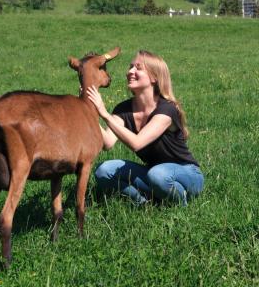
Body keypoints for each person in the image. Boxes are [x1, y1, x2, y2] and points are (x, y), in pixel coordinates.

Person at [86, 50, 204, 206]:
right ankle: (146, 203)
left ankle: (179, 203)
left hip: (186, 174)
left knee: (158, 175)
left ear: (154, 77)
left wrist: (105, 114)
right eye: (130, 67)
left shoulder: (167, 109)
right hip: (153, 173)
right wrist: (90, 111)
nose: (130, 71)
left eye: (138, 68)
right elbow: (107, 142)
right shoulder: (124, 109)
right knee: (104, 170)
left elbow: (137, 143)